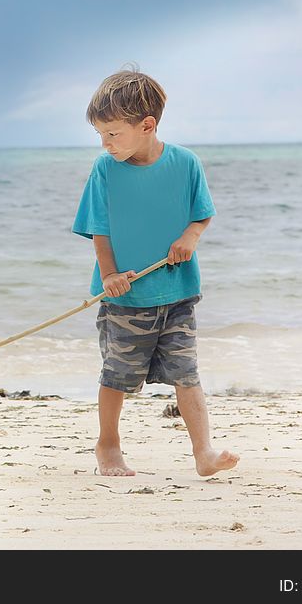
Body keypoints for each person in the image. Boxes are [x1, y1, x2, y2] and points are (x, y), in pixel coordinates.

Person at [72, 66, 240, 477]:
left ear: (147, 125)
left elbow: (202, 216)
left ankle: (203, 452)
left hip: (178, 292)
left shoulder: (185, 163)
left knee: (187, 373)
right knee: (118, 375)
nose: (106, 143)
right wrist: (109, 275)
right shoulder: (105, 169)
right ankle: (107, 445)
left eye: (113, 133)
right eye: (101, 134)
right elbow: (99, 227)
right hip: (124, 297)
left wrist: (190, 238)